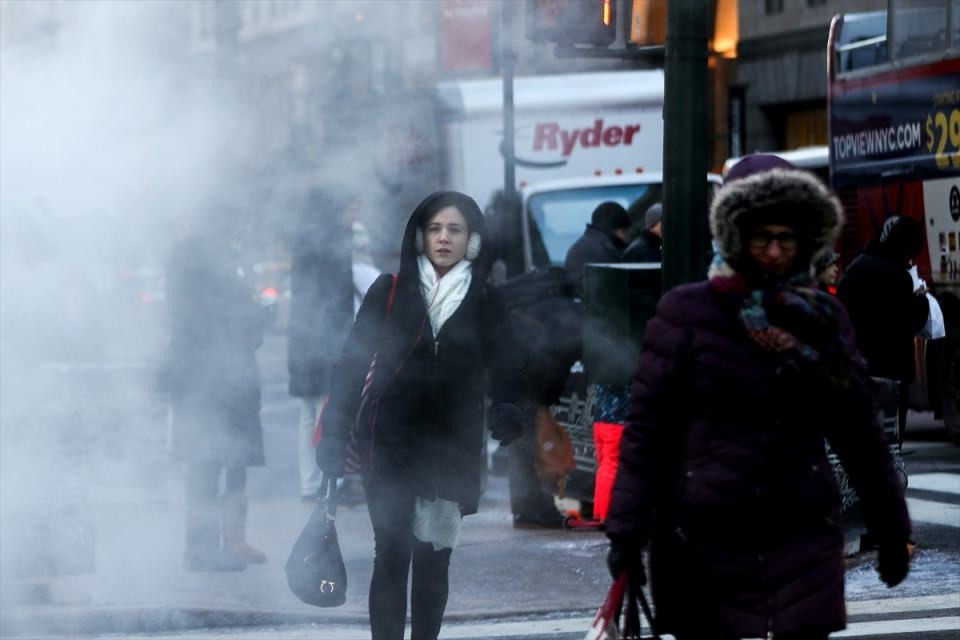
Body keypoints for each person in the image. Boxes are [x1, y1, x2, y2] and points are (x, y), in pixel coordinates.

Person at [605, 154, 912, 640]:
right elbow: (648, 432)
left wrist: (892, 529)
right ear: (733, 233)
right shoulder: (686, 313)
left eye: (785, 237)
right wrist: (626, 531)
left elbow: (860, 433)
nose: (772, 251)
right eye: (759, 236)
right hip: (705, 534)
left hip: (798, 530)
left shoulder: (822, 317)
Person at [316, 191, 525, 640]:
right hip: (388, 447)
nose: (444, 238)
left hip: (449, 453)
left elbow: (509, 362)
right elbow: (352, 364)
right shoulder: (387, 292)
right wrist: (335, 434)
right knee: (390, 557)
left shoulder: (483, 299)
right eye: (435, 229)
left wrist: (509, 405)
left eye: (454, 229)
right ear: (419, 237)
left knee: (433, 561)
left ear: (471, 240)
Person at [166, 218, 269, 572]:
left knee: (223, 459)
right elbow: (220, 319)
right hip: (212, 379)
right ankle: (202, 548)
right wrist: (255, 316)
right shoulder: (203, 260)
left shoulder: (204, 257)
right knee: (207, 462)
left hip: (218, 377)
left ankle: (227, 542)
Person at [287, 188, 355, 502]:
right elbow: (337, 298)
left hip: (303, 337)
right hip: (325, 337)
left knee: (308, 411)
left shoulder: (304, 240)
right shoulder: (333, 241)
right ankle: (331, 484)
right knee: (327, 411)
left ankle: (309, 483)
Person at [836, 215, 929, 437]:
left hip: (858, 365)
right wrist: (921, 300)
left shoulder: (855, 268)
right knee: (891, 435)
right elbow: (912, 321)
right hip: (892, 369)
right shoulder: (899, 276)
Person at [563, 201, 630, 294]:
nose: (624, 237)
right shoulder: (607, 252)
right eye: (623, 231)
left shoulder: (582, 243)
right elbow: (614, 293)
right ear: (614, 229)